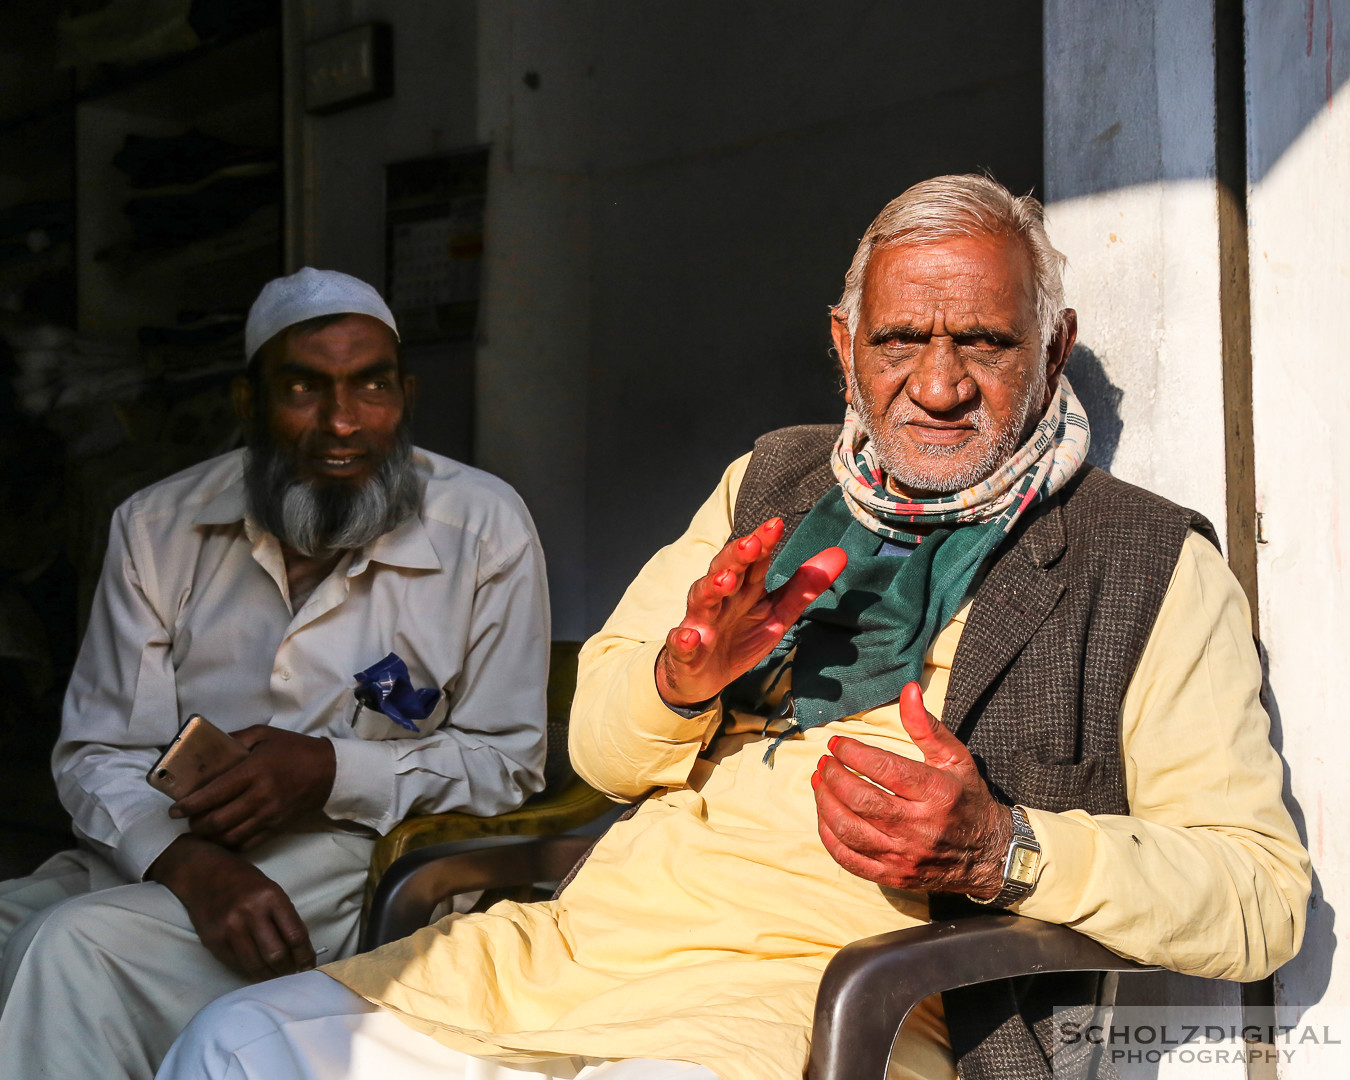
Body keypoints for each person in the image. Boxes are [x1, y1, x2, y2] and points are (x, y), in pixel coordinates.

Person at [157, 177, 1311, 1080]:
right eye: (902, 340)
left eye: (987, 343)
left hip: (814, 1006)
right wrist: (680, 678)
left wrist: (1003, 849)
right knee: (232, 1046)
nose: (941, 385)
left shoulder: (1142, 562)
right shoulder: (772, 482)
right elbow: (603, 754)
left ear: (1051, 350)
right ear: (843, 346)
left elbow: (1260, 897)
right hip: (571, 957)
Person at [0, 268, 551, 1078]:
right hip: (171, 846)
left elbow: (508, 761)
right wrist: (189, 866)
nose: (341, 421)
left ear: (405, 395)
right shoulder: (158, 525)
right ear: (247, 403)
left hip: (357, 854)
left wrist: (328, 769)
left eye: (371, 387)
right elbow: (97, 755)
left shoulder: (483, 524)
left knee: (74, 950)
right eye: (303, 388)